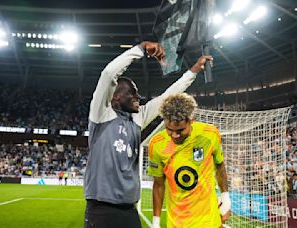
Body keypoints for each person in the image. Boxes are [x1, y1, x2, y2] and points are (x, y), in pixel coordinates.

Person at [83, 40, 213, 228]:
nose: (138, 97)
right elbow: (108, 74)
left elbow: (168, 95)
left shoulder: (138, 118)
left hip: (129, 209)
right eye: (132, 93)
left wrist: (193, 71)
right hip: (101, 209)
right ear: (116, 97)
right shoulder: (101, 114)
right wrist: (141, 48)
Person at [148, 93, 231, 228]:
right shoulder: (157, 144)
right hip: (177, 222)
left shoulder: (210, 134)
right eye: (169, 129)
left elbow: (219, 165)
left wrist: (226, 197)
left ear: (192, 120)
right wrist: (156, 222)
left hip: (209, 220)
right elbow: (158, 184)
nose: (174, 135)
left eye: (180, 130)